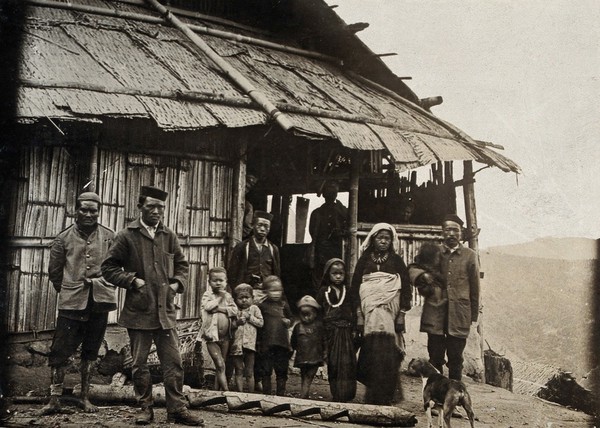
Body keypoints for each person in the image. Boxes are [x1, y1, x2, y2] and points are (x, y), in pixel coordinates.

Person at [101, 185, 203, 426]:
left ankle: (176, 409)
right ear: (140, 207)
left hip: (165, 313)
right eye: (151, 206)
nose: (157, 211)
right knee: (139, 365)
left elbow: (182, 265)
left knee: (174, 363)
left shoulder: (169, 235)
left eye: (161, 207)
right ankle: (144, 408)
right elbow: (108, 268)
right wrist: (131, 280)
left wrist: (177, 284)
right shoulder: (126, 235)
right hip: (139, 312)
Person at [41, 192, 116, 415]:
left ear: (98, 211)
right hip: (71, 302)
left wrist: (101, 285)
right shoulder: (63, 238)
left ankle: (84, 397)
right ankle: (54, 399)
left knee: (91, 350)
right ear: (76, 210)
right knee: (60, 351)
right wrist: (69, 290)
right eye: (84, 209)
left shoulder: (110, 237)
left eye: (93, 210)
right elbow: (55, 272)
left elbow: (115, 268)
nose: (88, 214)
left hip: (100, 301)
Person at [409, 214, 480, 381]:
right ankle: (437, 397)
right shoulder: (433, 252)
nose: (451, 234)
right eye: (447, 230)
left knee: (456, 358)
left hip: (459, 314)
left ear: (461, 233)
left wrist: (473, 316)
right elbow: (412, 268)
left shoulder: (470, 255)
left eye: (455, 230)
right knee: (435, 357)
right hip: (436, 312)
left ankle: (453, 396)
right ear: (442, 232)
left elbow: (475, 288)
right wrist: (423, 275)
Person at [351, 223, 412, 405]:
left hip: (390, 314)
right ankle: (371, 395)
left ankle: (388, 396)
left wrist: (401, 314)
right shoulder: (364, 260)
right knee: (371, 350)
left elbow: (406, 287)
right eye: (380, 238)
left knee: (388, 351)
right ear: (373, 239)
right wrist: (359, 314)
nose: (383, 241)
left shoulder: (396, 261)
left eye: (387, 238)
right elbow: (355, 288)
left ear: (391, 241)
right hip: (369, 314)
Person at [315, 258, 357, 402]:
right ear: (328, 274)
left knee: (348, 363)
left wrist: (354, 328)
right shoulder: (323, 291)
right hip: (330, 332)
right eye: (334, 273)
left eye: (341, 273)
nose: (338, 276)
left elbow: (353, 310)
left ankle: (347, 394)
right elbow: (318, 312)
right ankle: (337, 394)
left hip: (346, 332)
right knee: (334, 363)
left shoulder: (348, 291)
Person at [198, 267, 238, 391]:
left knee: (222, 365)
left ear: (226, 282)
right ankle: (226, 392)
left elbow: (235, 310)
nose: (218, 283)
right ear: (209, 282)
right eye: (215, 280)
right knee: (220, 364)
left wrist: (221, 309)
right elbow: (208, 307)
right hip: (211, 336)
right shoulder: (207, 295)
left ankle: (217, 391)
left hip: (225, 337)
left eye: (221, 280)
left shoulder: (228, 296)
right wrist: (220, 298)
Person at [228, 210, 281, 294]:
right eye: (259, 225)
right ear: (253, 226)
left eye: (266, 226)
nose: (263, 229)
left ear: (269, 228)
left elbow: (277, 274)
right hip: (246, 294)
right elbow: (232, 273)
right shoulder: (242, 247)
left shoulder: (273, 249)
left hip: (266, 294)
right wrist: (238, 292)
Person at [308, 181, 348, 290]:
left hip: (338, 251)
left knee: (338, 279)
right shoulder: (317, 213)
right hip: (321, 253)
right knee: (321, 281)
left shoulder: (342, 210)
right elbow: (313, 233)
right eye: (328, 191)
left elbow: (348, 226)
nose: (331, 194)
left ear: (336, 194)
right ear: (324, 194)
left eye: (333, 191)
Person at [256, 276, 292, 396]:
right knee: (266, 370)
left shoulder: (283, 305)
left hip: (282, 343)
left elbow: (291, 318)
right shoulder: (262, 306)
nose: (276, 293)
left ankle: (280, 394)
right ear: (265, 291)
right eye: (273, 290)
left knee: (282, 370)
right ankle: (267, 395)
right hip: (267, 344)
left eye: (279, 290)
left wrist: (288, 321)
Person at [290, 295, 326, 399]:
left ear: (315, 313)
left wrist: (325, 352)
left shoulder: (319, 326)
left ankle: (304, 394)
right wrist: (293, 350)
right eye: (303, 315)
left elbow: (324, 340)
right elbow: (293, 341)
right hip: (302, 356)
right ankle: (304, 393)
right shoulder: (298, 327)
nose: (306, 318)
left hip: (314, 356)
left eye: (308, 314)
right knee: (304, 375)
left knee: (309, 376)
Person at [230, 283, 263, 392]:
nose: (244, 300)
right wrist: (237, 323)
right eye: (241, 298)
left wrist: (250, 318)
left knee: (249, 372)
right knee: (238, 370)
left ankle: (251, 394)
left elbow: (261, 323)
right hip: (236, 345)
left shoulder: (254, 309)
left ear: (252, 298)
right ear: (235, 299)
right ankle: (240, 393)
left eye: (247, 297)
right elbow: (229, 326)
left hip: (250, 346)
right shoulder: (234, 310)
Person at [242, 174, 259, 240]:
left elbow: (247, 228)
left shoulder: (248, 206)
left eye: (247, 188)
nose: (245, 190)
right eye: (244, 186)